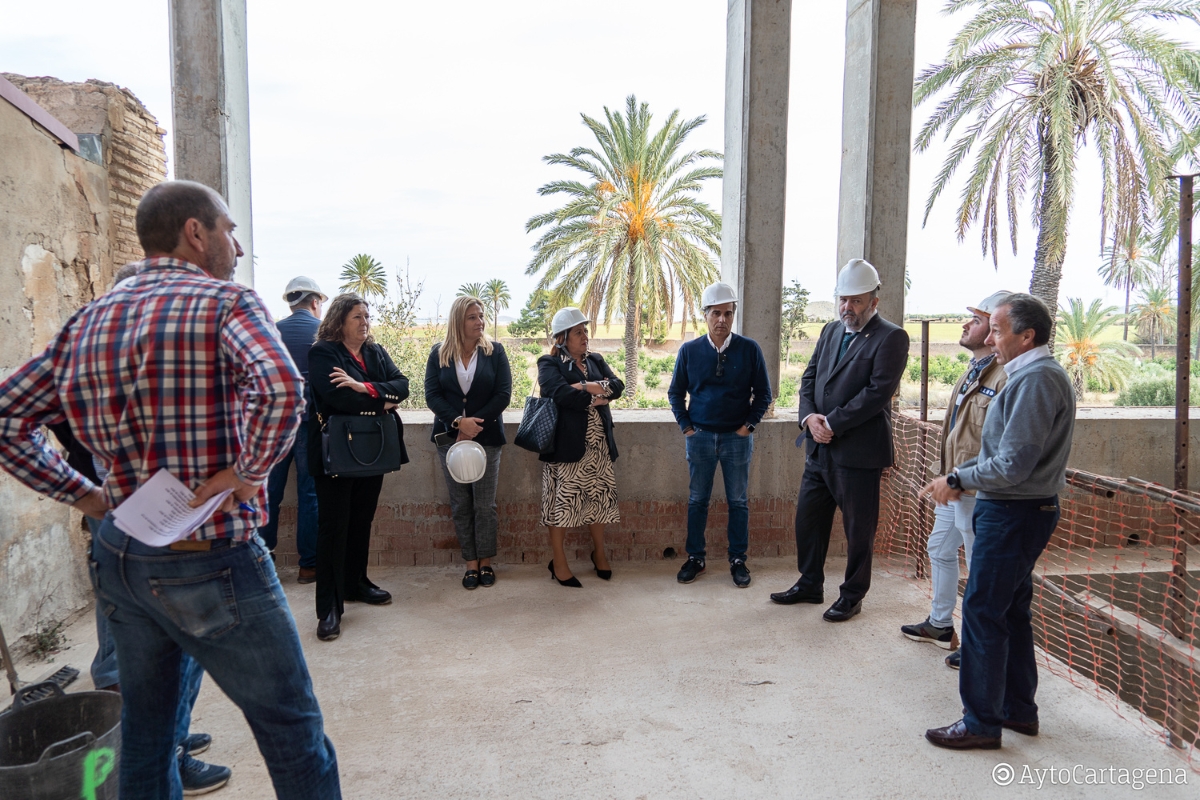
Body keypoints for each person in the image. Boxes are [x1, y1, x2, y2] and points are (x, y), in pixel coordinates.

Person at [0, 180, 340, 798]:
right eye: (229, 230)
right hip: (211, 557)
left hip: (123, 553)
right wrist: (246, 473)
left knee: (149, 740)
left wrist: (86, 495)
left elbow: (7, 417)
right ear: (195, 232)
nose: (236, 245)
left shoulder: (88, 321)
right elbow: (284, 390)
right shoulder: (225, 304)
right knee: (294, 733)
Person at [924, 294, 1075, 750]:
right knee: (1009, 610)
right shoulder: (1029, 376)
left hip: (1013, 511)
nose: (989, 338)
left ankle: (981, 722)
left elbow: (1012, 464)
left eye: (997, 330)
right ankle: (1016, 710)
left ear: (1026, 336)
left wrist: (957, 477)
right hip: (1016, 510)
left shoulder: (1037, 380)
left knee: (983, 611)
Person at [770, 259, 909, 621]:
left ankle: (852, 595)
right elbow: (809, 378)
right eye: (843, 300)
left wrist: (831, 421)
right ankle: (810, 583)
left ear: (874, 301)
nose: (848, 307)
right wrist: (809, 417)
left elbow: (877, 394)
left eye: (857, 301)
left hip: (858, 454)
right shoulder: (831, 331)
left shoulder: (891, 337)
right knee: (808, 519)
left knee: (858, 530)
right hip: (819, 448)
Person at [901, 291, 1011, 665]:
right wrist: (943, 476)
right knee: (940, 549)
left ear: (998, 329)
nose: (966, 325)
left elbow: (999, 444)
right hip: (954, 485)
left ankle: (979, 646)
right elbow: (955, 432)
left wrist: (961, 479)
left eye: (977, 320)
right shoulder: (974, 371)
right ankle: (940, 624)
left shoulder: (1006, 377)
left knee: (981, 567)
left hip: (978, 489)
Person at [307, 293, 409, 640]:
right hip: (336, 451)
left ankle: (356, 583)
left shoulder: (376, 353)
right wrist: (379, 402)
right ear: (339, 320)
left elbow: (402, 386)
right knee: (333, 527)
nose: (364, 322)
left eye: (367, 316)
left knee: (362, 519)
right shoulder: (323, 352)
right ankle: (329, 608)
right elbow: (336, 397)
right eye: (357, 317)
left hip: (372, 447)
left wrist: (363, 386)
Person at [668, 281, 772, 588]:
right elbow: (675, 393)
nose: (722, 320)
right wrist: (687, 427)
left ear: (733, 314)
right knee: (697, 500)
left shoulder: (750, 350)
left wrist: (746, 427)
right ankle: (695, 558)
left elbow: (764, 395)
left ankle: (738, 559)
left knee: (738, 501)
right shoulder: (689, 351)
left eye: (728, 313)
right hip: (699, 437)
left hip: (736, 440)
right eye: (716, 313)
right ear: (706, 315)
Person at [425, 295, 512, 589]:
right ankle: (470, 564)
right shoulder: (439, 353)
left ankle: (486, 562)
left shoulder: (495, 352)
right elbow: (432, 395)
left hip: (486, 439)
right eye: (473, 317)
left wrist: (473, 425)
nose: (480, 322)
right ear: (458, 321)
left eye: (482, 316)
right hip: (449, 440)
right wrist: (458, 423)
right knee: (461, 504)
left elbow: (503, 394)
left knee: (485, 505)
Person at [537, 308, 624, 587]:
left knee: (598, 502)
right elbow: (559, 394)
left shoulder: (596, 359)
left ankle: (599, 553)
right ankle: (559, 562)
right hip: (566, 447)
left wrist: (583, 385)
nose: (585, 336)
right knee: (561, 505)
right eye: (578, 332)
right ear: (562, 337)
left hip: (598, 446)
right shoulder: (549, 363)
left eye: (585, 330)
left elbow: (618, 386)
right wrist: (597, 395)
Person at [260, 276, 327, 583]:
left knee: (269, 491)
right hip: (311, 418)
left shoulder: (272, 331)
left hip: (275, 421)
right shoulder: (322, 333)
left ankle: (264, 559)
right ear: (315, 302)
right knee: (309, 492)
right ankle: (309, 565)